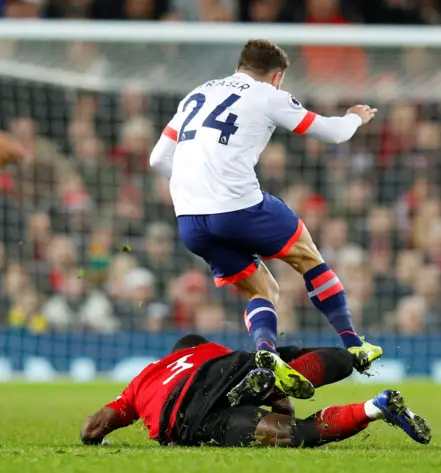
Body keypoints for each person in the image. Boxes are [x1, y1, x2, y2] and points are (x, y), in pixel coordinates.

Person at [148, 39, 382, 398]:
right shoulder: (266, 94)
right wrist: (356, 116)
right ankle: (354, 344)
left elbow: (158, 159)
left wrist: (197, 189)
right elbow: (334, 133)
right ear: (276, 77)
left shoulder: (197, 94)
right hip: (239, 206)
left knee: (264, 290)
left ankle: (266, 356)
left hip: (191, 219)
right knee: (306, 256)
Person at [80, 334, 431, 448]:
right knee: (287, 360)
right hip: (228, 366)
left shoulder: (144, 379)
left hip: (189, 414)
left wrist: (99, 440)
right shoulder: (211, 350)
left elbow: (92, 427)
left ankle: (374, 408)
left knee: (297, 435)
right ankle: (357, 365)